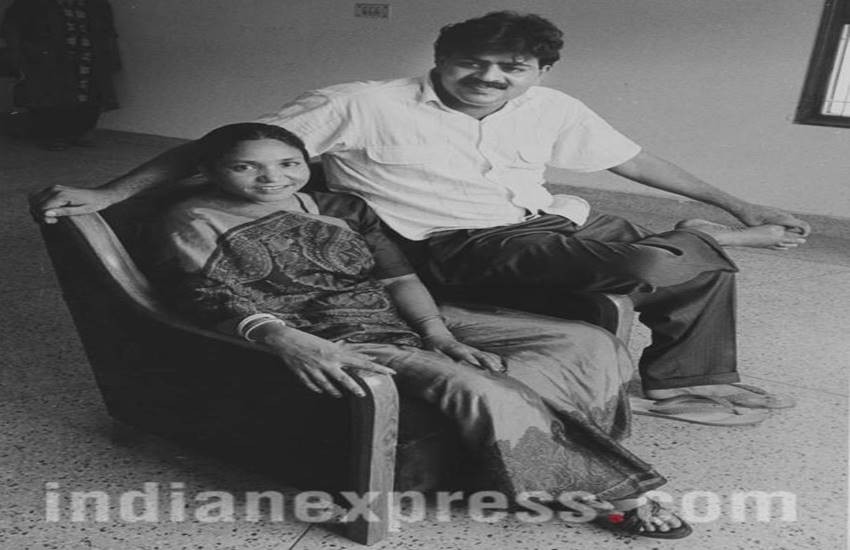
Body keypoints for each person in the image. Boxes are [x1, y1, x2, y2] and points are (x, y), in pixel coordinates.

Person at [30, 11, 805, 416]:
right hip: (455, 243)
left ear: (538, 71)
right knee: (654, 262)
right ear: (439, 58)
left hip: (547, 221)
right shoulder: (362, 103)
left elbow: (633, 161)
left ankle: (684, 379)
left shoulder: (553, 105)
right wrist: (109, 194)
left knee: (700, 262)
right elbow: (225, 145)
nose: (488, 76)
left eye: (512, 68)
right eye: (471, 62)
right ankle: (688, 241)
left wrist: (738, 201)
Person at [151, 122, 692, 538]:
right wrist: (285, 338)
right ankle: (604, 493)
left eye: (288, 163)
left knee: (586, 341)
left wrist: (438, 334)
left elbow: (399, 277)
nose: (272, 178)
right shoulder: (191, 217)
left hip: (388, 308)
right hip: (327, 333)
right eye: (247, 167)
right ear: (212, 171)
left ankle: (584, 448)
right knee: (477, 388)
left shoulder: (340, 205)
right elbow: (205, 295)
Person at [1, 0, 120, 150]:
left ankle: (80, 132)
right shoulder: (30, 3)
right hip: (48, 59)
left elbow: (108, 33)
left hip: (89, 57)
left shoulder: (97, 4)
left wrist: (112, 58)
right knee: (50, 95)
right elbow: (12, 27)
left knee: (90, 93)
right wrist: (17, 56)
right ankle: (52, 135)